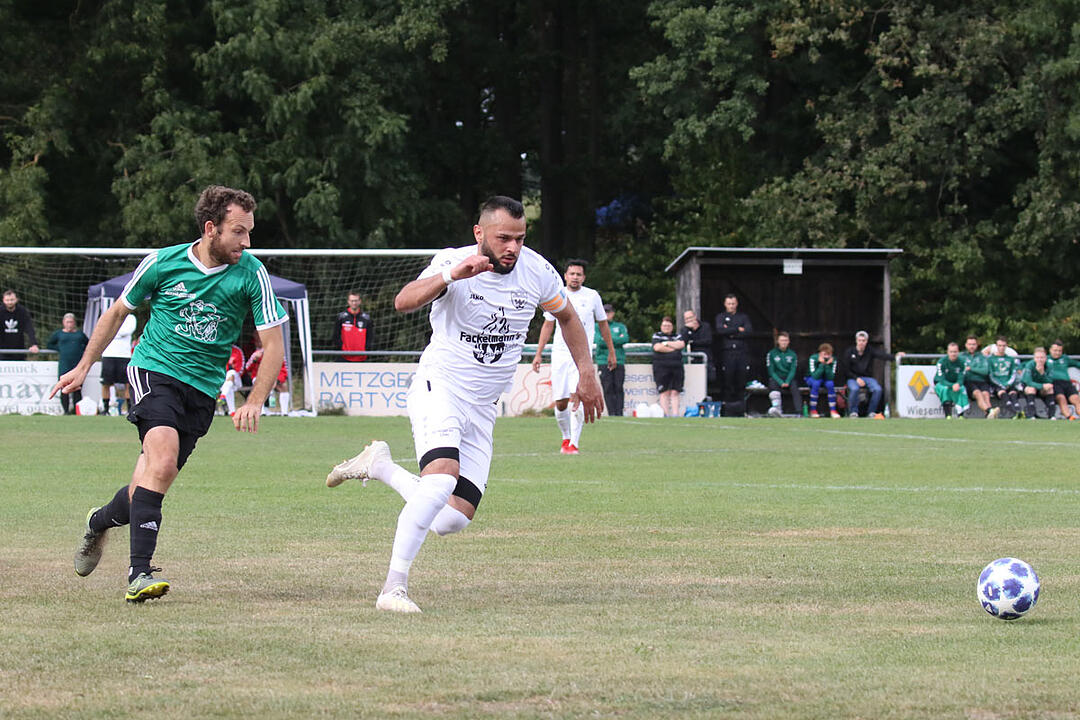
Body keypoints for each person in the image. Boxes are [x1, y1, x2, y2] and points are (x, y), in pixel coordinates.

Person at [324, 195, 603, 614]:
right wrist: (450, 276)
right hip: (440, 386)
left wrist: (586, 371)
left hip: (483, 406)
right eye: (503, 238)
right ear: (479, 233)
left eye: (520, 238)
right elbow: (404, 301)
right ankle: (392, 589)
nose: (513, 247)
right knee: (439, 481)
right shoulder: (452, 262)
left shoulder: (537, 271)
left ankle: (380, 466)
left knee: (450, 519)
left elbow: (566, 317)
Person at [53, 185, 287, 603]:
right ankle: (139, 574)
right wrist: (84, 365)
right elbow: (117, 312)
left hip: (202, 391)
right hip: (154, 371)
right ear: (211, 228)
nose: (247, 242)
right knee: (160, 463)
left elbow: (274, 346)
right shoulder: (163, 262)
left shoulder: (251, 273)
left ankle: (99, 522)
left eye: (249, 231)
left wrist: (254, 401)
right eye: (239, 231)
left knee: (147, 486)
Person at [531, 259, 615, 454]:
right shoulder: (557, 294)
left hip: (582, 356)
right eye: (572, 274)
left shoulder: (592, 296)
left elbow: (603, 324)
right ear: (565, 276)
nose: (575, 277)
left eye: (579, 274)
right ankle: (566, 437)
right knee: (561, 402)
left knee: (578, 395)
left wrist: (611, 351)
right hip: (560, 354)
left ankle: (574, 444)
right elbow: (548, 325)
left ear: (583, 277)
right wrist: (538, 353)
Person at [842, 330, 903, 418]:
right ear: (856, 341)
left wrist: (895, 356)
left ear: (866, 341)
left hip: (867, 378)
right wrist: (856, 378)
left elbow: (882, 355)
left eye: (863, 340)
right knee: (854, 389)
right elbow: (846, 370)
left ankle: (871, 412)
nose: (861, 343)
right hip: (852, 378)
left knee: (877, 389)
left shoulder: (869, 350)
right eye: (859, 340)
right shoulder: (849, 352)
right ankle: (853, 412)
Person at [714, 293, 751, 411]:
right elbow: (720, 331)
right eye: (729, 304)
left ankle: (741, 409)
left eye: (733, 303)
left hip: (741, 353)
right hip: (727, 353)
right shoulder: (720, 317)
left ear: (737, 304)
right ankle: (727, 409)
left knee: (741, 380)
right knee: (727, 380)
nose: (731, 306)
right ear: (725, 304)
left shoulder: (743, 317)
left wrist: (729, 331)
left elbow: (748, 331)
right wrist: (737, 329)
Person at [47, 313, 89, 414]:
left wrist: (80, 350)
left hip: (77, 364)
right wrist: (60, 349)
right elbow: (49, 344)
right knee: (63, 387)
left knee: (77, 388)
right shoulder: (59, 334)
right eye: (67, 322)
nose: (69, 324)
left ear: (74, 323)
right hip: (65, 364)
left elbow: (88, 344)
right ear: (63, 323)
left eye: (71, 322)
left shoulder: (80, 334)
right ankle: (66, 411)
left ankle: (76, 411)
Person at [99, 313, 137, 416]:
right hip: (108, 354)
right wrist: (112, 331)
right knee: (105, 383)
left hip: (124, 355)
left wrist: (112, 331)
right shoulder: (108, 315)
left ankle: (130, 409)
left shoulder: (130, 318)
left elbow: (127, 331)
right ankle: (105, 409)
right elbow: (103, 330)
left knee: (128, 383)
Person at [595, 303, 629, 416]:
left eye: (608, 312)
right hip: (603, 360)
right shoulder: (597, 326)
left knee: (618, 387)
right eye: (604, 312)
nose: (606, 314)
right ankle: (611, 413)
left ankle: (619, 413)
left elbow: (625, 339)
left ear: (613, 313)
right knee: (607, 387)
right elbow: (599, 341)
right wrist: (615, 339)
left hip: (619, 360)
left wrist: (607, 339)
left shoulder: (620, 326)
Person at [247, 331, 290, 414]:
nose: (258, 342)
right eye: (257, 340)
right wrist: (254, 360)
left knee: (283, 387)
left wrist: (277, 380)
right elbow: (247, 368)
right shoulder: (256, 354)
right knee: (259, 384)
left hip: (274, 378)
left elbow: (284, 369)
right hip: (258, 378)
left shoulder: (277, 353)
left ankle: (284, 412)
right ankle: (261, 411)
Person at [651, 316, 685, 417]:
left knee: (675, 392)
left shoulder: (677, 336)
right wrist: (673, 349)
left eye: (668, 326)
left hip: (677, 367)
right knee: (664, 392)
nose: (666, 327)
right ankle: (665, 414)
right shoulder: (657, 336)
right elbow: (657, 347)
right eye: (664, 325)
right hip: (661, 367)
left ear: (672, 327)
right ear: (661, 326)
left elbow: (681, 344)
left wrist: (666, 343)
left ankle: (675, 415)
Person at [986, 336, 1022, 419]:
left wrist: (1008, 383)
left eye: (1003, 346)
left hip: (1008, 383)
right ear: (996, 346)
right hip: (996, 384)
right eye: (1000, 345)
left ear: (1006, 346)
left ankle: (1019, 413)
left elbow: (1013, 373)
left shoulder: (1010, 359)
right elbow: (991, 375)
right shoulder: (990, 359)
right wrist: (1001, 385)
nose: (1002, 348)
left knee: (1013, 394)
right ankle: (1015, 413)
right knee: (1003, 393)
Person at [765, 331, 800, 418]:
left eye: (785, 340)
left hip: (789, 378)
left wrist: (787, 381)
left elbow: (793, 370)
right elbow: (771, 371)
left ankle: (799, 412)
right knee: (773, 386)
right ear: (778, 341)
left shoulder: (792, 354)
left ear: (788, 342)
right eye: (782, 340)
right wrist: (781, 382)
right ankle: (777, 409)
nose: (784, 342)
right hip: (777, 378)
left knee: (795, 388)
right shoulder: (771, 354)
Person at [332, 291, 374, 361]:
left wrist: (365, 349)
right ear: (348, 301)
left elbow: (370, 337)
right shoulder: (341, 317)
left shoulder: (366, 318)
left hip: (361, 357)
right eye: (352, 301)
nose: (354, 303)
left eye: (356, 301)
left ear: (360, 301)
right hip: (344, 357)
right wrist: (342, 348)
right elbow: (336, 336)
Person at [1046, 340, 1080, 420]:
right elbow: (1028, 364)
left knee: (1076, 398)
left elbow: (1077, 364)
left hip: (1067, 383)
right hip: (1054, 383)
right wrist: (1020, 368)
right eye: (1055, 350)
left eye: (1059, 351)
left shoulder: (1065, 358)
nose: (1057, 353)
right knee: (1061, 398)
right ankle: (1069, 417)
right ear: (1050, 350)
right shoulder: (1045, 359)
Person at [1, 289, 39, 360]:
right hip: (2, 352)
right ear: (3, 300)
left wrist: (34, 344)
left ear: (16, 300)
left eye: (12, 300)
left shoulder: (22, 312)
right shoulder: (0, 311)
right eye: (7, 300)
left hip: (19, 351)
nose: (10, 302)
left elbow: (29, 328)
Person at [934, 342, 969, 418]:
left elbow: (961, 377)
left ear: (958, 352)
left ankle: (961, 415)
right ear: (947, 352)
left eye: (955, 352)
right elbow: (941, 379)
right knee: (945, 389)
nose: (953, 354)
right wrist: (952, 385)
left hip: (956, 383)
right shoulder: (941, 362)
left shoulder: (962, 362)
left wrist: (958, 384)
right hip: (941, 383)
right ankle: (948, 416)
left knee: (962, 389)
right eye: (951, 352)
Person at [960, 335, 993, 417]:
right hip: (968, 382)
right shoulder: (961, 356)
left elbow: (985, 371)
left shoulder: (982, 356)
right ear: (966, 345)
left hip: (981, 381)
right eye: (969, 344)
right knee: (978, 393)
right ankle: (990, 411)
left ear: (977, 345)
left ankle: (989, 415)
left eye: (973, 344)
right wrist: (978, 370)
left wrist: (971, 369)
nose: (971, 346)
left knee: (986, 395)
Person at [1020, 347, 1055, 420]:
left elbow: (1050, 381)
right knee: (1031, 389)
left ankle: (1052, 415)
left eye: (1042, 357)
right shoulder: (1030, 365)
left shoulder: (1049, 365)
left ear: (1045, 358)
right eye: (1037, 358)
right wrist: (1042, 386)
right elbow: (1028, 382)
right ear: (1034, 358)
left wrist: (1042, 373)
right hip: (1029, 387)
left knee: (1050, 389)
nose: (1040, 360)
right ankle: (1031, 415)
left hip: (1042, 388)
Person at [805, 343, 839, 418]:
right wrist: (822, 364)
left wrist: (826, 365)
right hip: (811, 378)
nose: (826, 356)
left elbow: (831, 377)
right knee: (816, 383)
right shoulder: (813, 358)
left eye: (828, 354)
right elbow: (815, 376)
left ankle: (833, 410)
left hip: (825, 378)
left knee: (830, 384)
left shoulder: (833, 360)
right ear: (820, 353)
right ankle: (813, 410)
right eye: (824, 354)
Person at [680, 309, 714, 384]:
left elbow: (708, 341)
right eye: (687, 319)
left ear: (695, 316)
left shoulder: (705, 326)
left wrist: (692, 342)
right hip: (692, 359)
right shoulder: (684, 329)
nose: (689, 320)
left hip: (706, 357)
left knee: (710, 379)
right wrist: (686, 329)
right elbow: (683, 342)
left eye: (690, 317)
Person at [218, 344, 247, 416]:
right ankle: (232, 411)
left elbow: (242, 368)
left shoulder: (237, 351)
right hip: (224, 381)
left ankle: (223, 396)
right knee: (228, 387)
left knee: (231, 372)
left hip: (237, 380)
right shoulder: (220, 350)